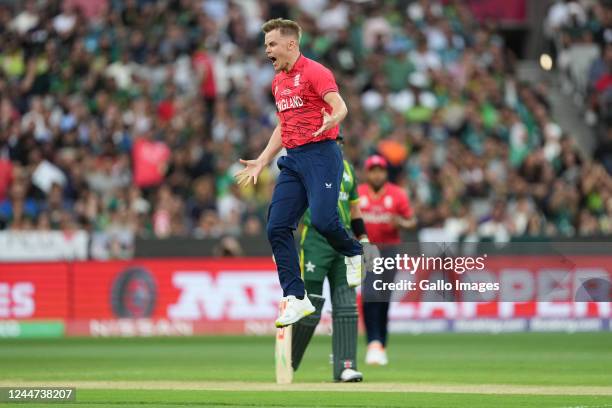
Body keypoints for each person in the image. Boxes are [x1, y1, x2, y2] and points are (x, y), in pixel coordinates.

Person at [235, 18, 363, 328]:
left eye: (272, 45)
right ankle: (296, 297)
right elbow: (284, 123)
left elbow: (340, 105)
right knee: (276, 227)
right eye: (266, 45)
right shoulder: (278, 81)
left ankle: (355, 252)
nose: (267, 51)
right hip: (293, 160)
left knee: (322, 220)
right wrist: (264, 159)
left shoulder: (316, 72)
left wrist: (335, 118)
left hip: (321, 155)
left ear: (291, 44)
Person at [292, 138, 379, 382]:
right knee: (309, 305)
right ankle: (288, 357)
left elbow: (355, 211)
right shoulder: (306, 165)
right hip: (315, 241)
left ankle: (345, 366)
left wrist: (363, 239)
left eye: (339, 141)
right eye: (332, 141)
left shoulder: (349, 169)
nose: (337, 145)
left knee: (347, 305)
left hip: (344, 241)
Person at [358, 155, 416, 365]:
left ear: (385, 173)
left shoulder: (397, 194)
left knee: (383, 297)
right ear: (367, 173)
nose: (377, 174)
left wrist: (399, 222)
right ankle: (373, 342)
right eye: (373, 170)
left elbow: (412, 221)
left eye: (380, 170)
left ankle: (380, 342)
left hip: (390, 250)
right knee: (370, 293)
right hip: (368, 249)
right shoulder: (359, 194)